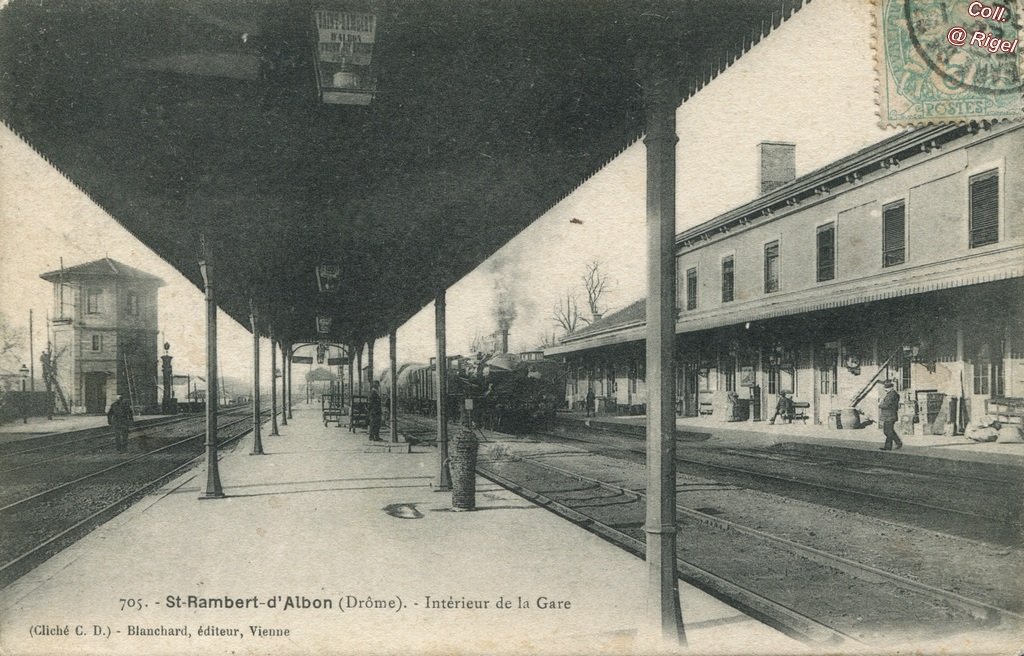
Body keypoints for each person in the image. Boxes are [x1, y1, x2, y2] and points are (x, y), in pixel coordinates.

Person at [877, 380, 903, 450]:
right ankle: (898, 442)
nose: (885, 389)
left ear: (891, 388)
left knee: (888, 431)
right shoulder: (891, 394)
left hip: (890, 415)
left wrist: (880, 404)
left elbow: (887, 405)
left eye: (887, 388)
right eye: (885, 387)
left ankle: (889, 446)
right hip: (889, 415)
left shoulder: (892, 394)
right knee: (889, 431)